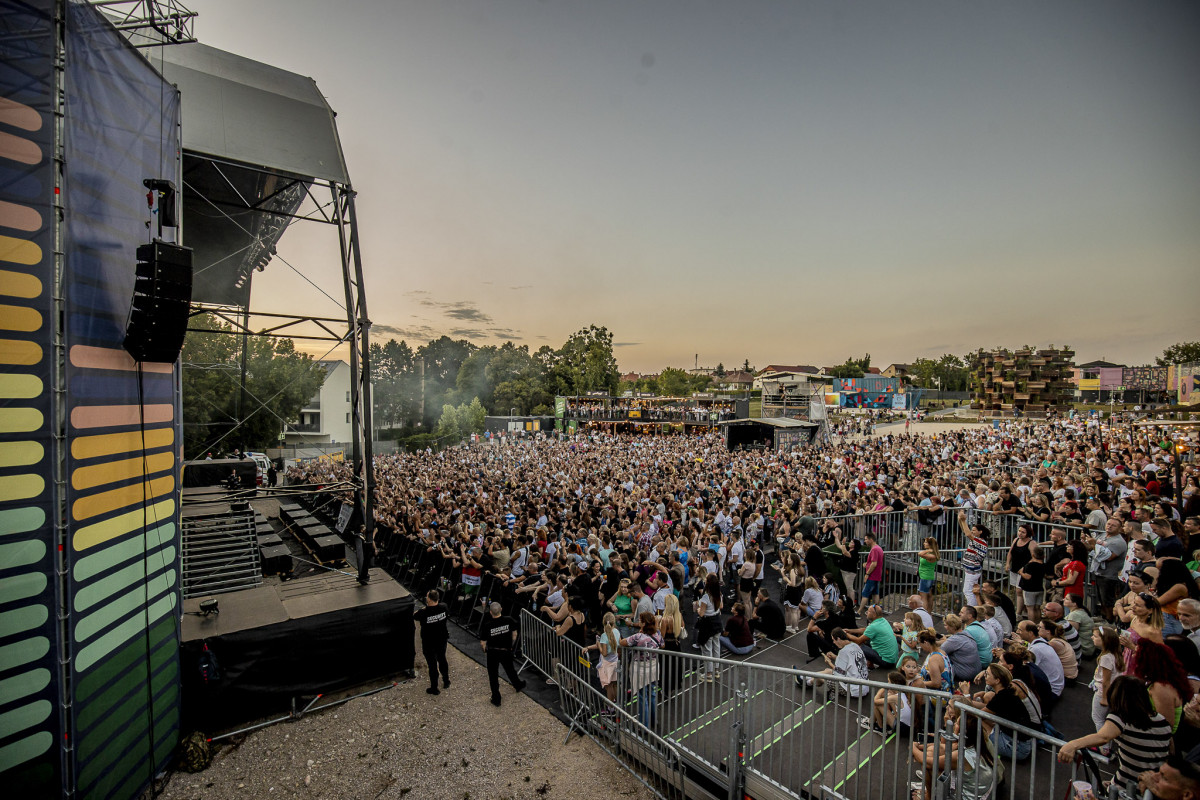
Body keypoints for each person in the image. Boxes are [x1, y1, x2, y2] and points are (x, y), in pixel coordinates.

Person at [1058, 675, 1173, 796]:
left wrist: (1072, 744)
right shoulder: (1163, 722)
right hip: (1151, 791)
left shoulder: (1122, 718)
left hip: (1126, 790)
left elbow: (1103, 737)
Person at [799, 627, 871, 699]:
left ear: (838, 639)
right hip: (864, 686)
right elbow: (850, 662)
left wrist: (829, 663)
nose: (833, 642)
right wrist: (835, 657)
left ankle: (807, 682)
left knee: (821, 676)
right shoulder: (855, 646)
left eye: (833, 640)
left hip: (852, 690)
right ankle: (807, 679)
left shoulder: (843, 652)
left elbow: (837, 674)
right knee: (828, 671)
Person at [621, 612, 664, 726]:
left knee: (642, 697)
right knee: (653, 694)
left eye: (640, 621)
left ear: (644, 623)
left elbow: (623, 642)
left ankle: (644, 725)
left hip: (640, 669)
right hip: (654, 667)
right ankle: (654, 721)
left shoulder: (638, 637)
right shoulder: (657, 634)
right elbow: (662, 645)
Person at [480, 601, 525, 707]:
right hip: (505, 650)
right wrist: (511, 646)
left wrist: (485, 651)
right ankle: (517, 685)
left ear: (490, 612)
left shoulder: (487, 625)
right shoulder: (508, 620)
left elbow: (483, 643)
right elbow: (514, 635)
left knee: (493, 675)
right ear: (501, 609)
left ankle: (496, 698)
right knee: (510, 669)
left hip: (492, 651)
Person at [1090, 626, 1126, 737]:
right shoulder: (1116, 654)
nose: (1092, 637)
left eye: (1095, 636)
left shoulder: (1106, 658)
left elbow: (1106, 681)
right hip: (1114, 692)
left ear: (1105, 640)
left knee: (1098, 718)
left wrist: (1105, 698)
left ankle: (1104, 747)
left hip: (1103, 693)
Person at [415, 589, 451, 695]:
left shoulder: (423, 612)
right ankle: (446, 681)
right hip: (442, 639)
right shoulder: (444, 607)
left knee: (432, 665)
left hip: (429, 642)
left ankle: (434, 687)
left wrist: (424, 608)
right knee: (442, 659)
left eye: (427, 596)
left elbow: (414, 615)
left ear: (429, 599)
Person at [844, 604, 899, 668]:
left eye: (869, 611)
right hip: (892, 659)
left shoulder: (874, 626)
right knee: (868, 640)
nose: (866, 612)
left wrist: (845, 634)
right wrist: (850, 631)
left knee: (858, 646)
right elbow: (867, 630)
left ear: (874, 615)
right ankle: (870, 664)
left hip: (886, 662)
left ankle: (858, 667)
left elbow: (858, 641)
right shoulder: (883, 620)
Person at [692, 574, 722, 679]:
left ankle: (709, 673)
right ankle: (716, 670)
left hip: (707, 623)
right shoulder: (719, 593)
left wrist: (697, 607)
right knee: (716, 646)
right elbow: (721, 606)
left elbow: (701, 613)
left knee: (707, 648)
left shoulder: (706, 597)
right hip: (717, 621)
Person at [858, 531, 884, 614]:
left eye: (866, 539)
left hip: (872, 576)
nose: (864, 541)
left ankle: (859, 612)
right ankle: (876, 611)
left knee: (865, 593)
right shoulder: (879, 548)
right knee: (875, 593)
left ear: (871, 539)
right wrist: (867, 564)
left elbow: (874, 563)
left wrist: (867, 574)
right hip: (877, 575)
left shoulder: (874, 549)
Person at [917, 537, 939, 612]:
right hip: (926, 576)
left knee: (923, 597)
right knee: (929, 595)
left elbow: (919, 554)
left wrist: (929, 550)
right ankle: (929, 612)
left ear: (930, 544)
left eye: (926, 542)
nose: (924, 543)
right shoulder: (930, 553)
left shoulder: (932, 555)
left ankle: (924, 613)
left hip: (925, 577)